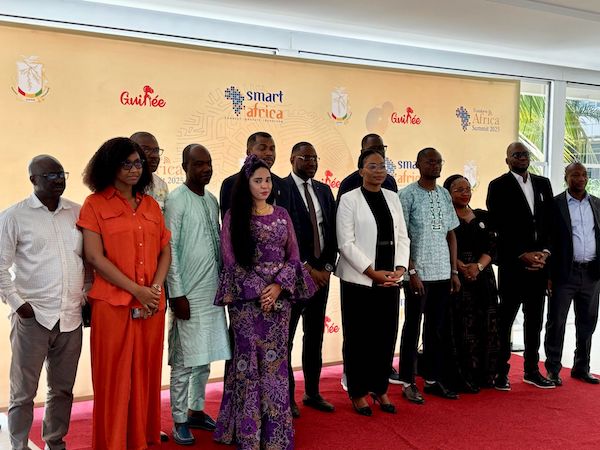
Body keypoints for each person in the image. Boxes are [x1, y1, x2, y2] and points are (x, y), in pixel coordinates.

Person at [213, 154, 316, 450]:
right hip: (246, 303)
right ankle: (246, 432)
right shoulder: (234, 216)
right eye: (257, 180)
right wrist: (261, 290)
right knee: (247, 363)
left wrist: (277, 287)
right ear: (246, 184)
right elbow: (230, 261)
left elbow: (293, 256)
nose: (264, 185)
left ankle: (275, 435)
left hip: (279, 302)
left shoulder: (282, 214)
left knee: (275, 364)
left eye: (268, 180)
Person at [78, 137, 172, 449]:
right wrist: (136, 290)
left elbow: (165, 251)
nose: (134, 169)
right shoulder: (94, 204)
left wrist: (154, 290)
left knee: (146, 375)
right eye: (126, 164)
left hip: (151, 306)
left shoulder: (151, 205)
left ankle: (141, 439)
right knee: (113, 378)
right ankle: (113, 442)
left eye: (138, 163)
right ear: (109, 166)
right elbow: (94, 257)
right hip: (112, 305)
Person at [0, 155, 85, 450]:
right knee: (23, 393)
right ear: (33, 180)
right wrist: (17, 304)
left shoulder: (77, 212)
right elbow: (0, 267)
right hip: (32, 318)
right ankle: (19, 445)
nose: (58, 180)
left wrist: (85, 294)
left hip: (71, 316)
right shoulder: (14, 216)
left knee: (62, 389)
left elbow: (87, 259)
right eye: (50, 175)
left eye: (61, 174)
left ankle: (55, 441)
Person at [165, 144, 231, 445]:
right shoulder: (176, 200)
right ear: (184, 167)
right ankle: (179, 419)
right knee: (184, 360)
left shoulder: (211, 199)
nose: (206, 169)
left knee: (204, 358)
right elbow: (170, 250)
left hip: (211, 292)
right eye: (198, 164)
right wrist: (176, 294)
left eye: (209, 163)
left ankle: (195, 410)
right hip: (187, 294)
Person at [336, 149, 410, 416]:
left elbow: (402, 236)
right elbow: (345, 243)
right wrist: (372, 272)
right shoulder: (349, 199)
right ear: (361, 171)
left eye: (382, 166)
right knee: (358, 338)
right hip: (359, 280)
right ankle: (357, 392)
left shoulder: (392, 197)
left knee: (385, 335)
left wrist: (400, 268)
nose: (379, 171)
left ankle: (379, 388)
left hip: (389, 279)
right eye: (372, 166)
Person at [486, 141, 555, 390]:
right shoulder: (498, 186)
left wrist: (545, 253)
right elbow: (498, 227)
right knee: (505, 320)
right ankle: (500, 372)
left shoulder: (543, 183)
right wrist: (521, 254)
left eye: (525, 154)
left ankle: (532, 370)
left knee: (534, 321)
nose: (522, 157)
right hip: (513, 266)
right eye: (516, 154)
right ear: (508, 160)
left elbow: (550, 223)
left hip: (540, 266)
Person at [398, 147, 461, 403]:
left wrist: (454, 270)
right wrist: (411, 270)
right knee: (412, 328)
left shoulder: (444, 194)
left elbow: (451, 233)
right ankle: (407, 381)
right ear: (418, 164)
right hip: (417, 275)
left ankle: (432, 380)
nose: (435, 166)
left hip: (443, 273)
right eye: (430, 161)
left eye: (438, 162)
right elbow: (402, 238)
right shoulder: (407, 195)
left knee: (436, 330)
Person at [284, 142, 337, 418]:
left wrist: (326, 268)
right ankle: (287, 397)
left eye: (315, 158)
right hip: (294, 276)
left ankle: (312, 392)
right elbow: (284, 234)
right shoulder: (280, 188)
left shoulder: (324, 190)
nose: (312, 162)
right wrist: (306, 267)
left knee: (314, 336)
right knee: (287, 339)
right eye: (306, 157)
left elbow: (333, 231)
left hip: (321, 277)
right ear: (292, 159)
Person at [544, 162, 600, 386]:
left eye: (584, 175)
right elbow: (548, 239)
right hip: (563, 274)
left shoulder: (596, 203)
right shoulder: (555, 204)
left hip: (591, 274)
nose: (581, 178)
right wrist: (548, 275)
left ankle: (581, 367)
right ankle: (553, 369)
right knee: (556, 322)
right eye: (575, 174)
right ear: (566, 177)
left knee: (587, 322)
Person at [443, 174, 499, 391]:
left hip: (483, 277)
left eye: (467, 189)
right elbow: (443, 244)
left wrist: (478, 267)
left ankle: (487, 374)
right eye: (459, 190)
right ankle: (463, 375)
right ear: (448, 193)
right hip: (456, 276)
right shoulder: (445, 218)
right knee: (462, 326)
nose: (465, 193)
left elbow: (492, 246)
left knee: (487, 323)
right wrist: (459, 266)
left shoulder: (483, 216)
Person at [219, 131, 289, 219]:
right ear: (249, 152)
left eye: (272, 149)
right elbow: (228, 222)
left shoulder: (282, 185)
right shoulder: (231, 184)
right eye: (262, 149)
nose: (269, 153)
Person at [336, 133, 398, 202]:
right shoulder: (348, 183)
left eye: (381, 148)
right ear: (362, 152)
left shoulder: (390, 182)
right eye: (372, 149)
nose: (378, 152)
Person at [131, 131, 169, 211]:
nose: (154, 155)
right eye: (146, 150)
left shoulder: (161, 185)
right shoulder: (120, 185)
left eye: (156, 150)